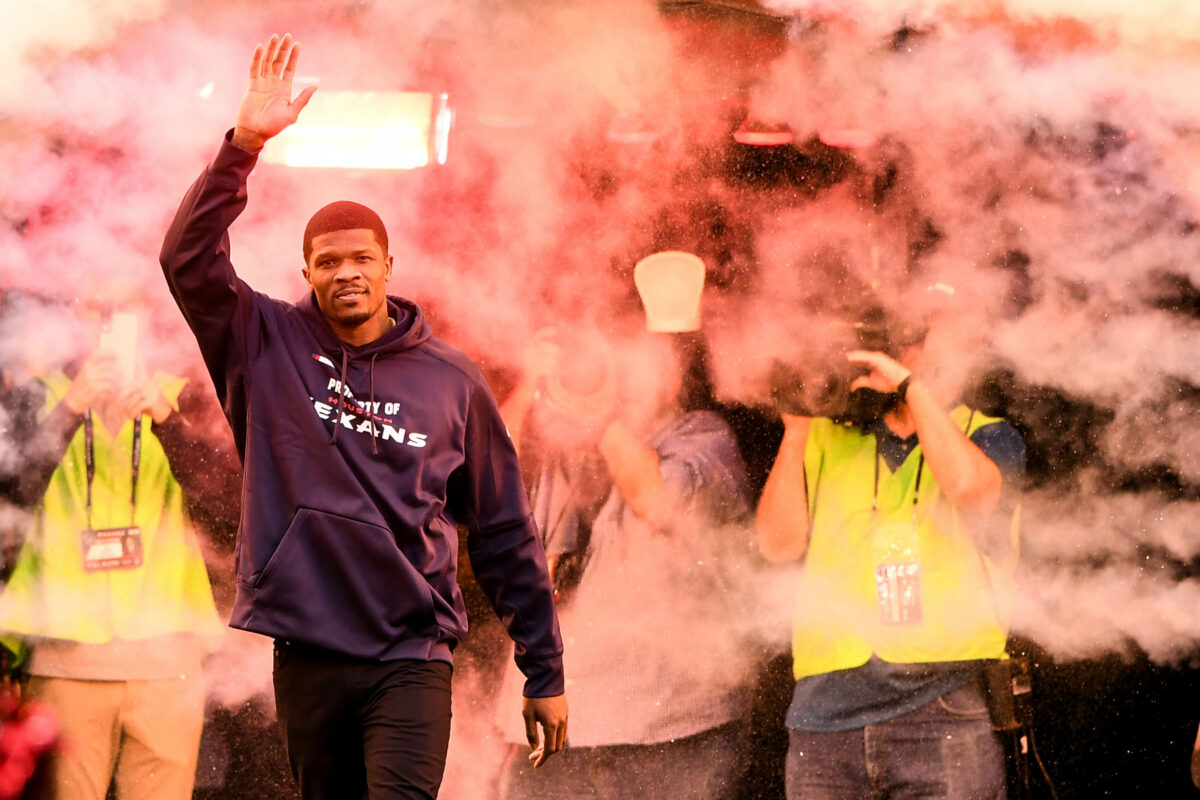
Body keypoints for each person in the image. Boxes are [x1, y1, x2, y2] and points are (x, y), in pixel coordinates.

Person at [159, 33, 567, 799]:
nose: (345, 272)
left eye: (360, 259)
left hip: (412, 657)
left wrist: (544, 668)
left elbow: (507, 529)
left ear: (388, 266)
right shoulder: (263, 341)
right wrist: (242, 145)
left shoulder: (453, 381)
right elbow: (185, 260)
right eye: (327, 262)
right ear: (306, 273)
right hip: (307, 650)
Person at [494, 253, 756, 799]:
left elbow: (654, 500)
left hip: (668, 736)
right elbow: (479, 476)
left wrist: (596, 413)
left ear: (676, 369)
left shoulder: (703, 436)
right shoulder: (564, 441)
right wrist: (532, 387)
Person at [755, 303, 1024, 800]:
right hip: (823, 718)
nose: (901, 350)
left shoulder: (985, 433)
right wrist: (795, 428)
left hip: (939, 707)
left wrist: (911, 390)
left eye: (916, 335)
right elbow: (777, 545)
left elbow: (971, 489)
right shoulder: (824, 436)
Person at [0, 302, 226, 800]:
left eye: (123, 310)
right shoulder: (38, 395)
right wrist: (67, 411)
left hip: (169, 660)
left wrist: (169, 422)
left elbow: (231, 507)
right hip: (62, 659)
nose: (107, 326)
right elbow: (9, 494)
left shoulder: (189, 394)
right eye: (94, 309)